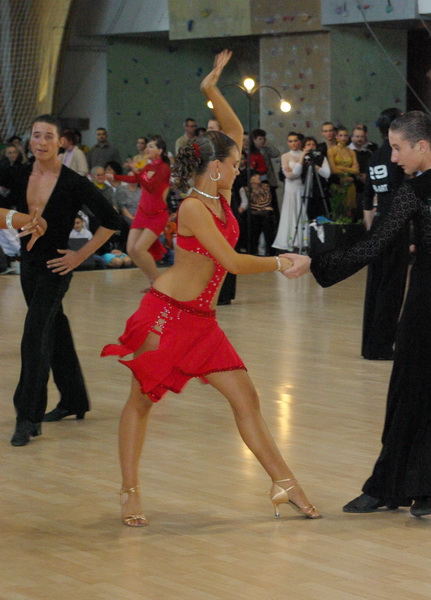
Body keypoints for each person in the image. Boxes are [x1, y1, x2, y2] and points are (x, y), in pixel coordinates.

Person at [102, 50, 318, 527]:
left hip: (202, 322)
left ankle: (285, 483)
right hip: (166, 315)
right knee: (141, 400)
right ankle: (129, 490)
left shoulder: (218, 191)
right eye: (234, 163)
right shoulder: (194, 208)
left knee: (247, 399)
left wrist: (211, 89)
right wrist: (283, 261)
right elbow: (233, 263)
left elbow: (233, 130)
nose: (240, 167)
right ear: (215, 167)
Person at [285, 62, 431, 517]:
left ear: (422, 146)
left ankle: (393, 488)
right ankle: (423, 489)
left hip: (428, 300)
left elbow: (373, 246)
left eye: (399, 148)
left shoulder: (414, 192)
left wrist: (314, 262)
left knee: (410, 394)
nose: (394, 157)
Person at [1, 115, 120, 446]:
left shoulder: (73, 182)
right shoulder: (19, 173)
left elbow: (111, 220)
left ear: (61, 143)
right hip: (29, 264)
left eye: (48, 137)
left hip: (57, 266)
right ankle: (74, 399)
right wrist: (13, 219)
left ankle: (27, 417)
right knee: (54, 327)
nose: (41, 142)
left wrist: (79, 256)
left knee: (35, 334)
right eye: (36, 136)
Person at [360, 107, 407, 361]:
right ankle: (381, 346)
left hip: (378, 224)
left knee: (375, 286)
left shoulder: (375, 156)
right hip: (395, 226)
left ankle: (370, 345)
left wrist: (372, 234)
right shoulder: (398, 155)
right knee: (392, 287)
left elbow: (367, 199)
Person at [111, 135, 171, 288]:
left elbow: (152, 188)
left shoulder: (164, 168)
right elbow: (135, 179)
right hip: (142, 213)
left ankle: (157, 283)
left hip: (157, 215)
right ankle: (151, 281)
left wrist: (139, 173)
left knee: (140, 249)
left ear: (160, 151)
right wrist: (115, 176)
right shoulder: (148, 167)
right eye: (147, 146)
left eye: (151, 146)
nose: (147, 149)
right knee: (131, 250)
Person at [273, 132, 305, 252]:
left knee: (302, 211)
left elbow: (299, 173)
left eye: (295, 140)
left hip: (302, 187)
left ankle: (302, 240)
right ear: (288, 143)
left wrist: (293, 171)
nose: (293, 143)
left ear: (299, 142)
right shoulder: (285, 156)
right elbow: (289, 176)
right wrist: (294, 171)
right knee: (290, 212)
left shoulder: (304, 155)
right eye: (290, 141)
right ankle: (290, 240)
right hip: (290, 188)